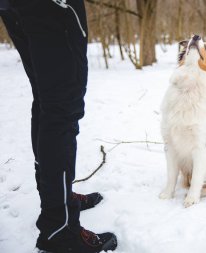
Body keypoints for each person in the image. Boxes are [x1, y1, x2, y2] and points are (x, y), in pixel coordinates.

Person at [0, 0, 118, 252]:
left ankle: (58, 198)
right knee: (62, 106)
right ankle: (60, 228)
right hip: (50, 6)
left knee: (48, 102)